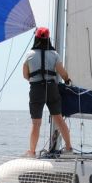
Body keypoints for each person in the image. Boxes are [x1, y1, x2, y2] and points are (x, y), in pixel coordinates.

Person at [22, 27, 72, 157]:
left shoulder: (29, 55)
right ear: (48, 39)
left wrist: (34, 79)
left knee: (36, 123)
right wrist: (67, 80)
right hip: (51, 88)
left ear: (37, 38)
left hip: (36, 89)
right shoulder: (54, 54)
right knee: (59, 119)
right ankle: (68, 148)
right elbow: (63, 74)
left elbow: (25, 75)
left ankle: (32, 152)